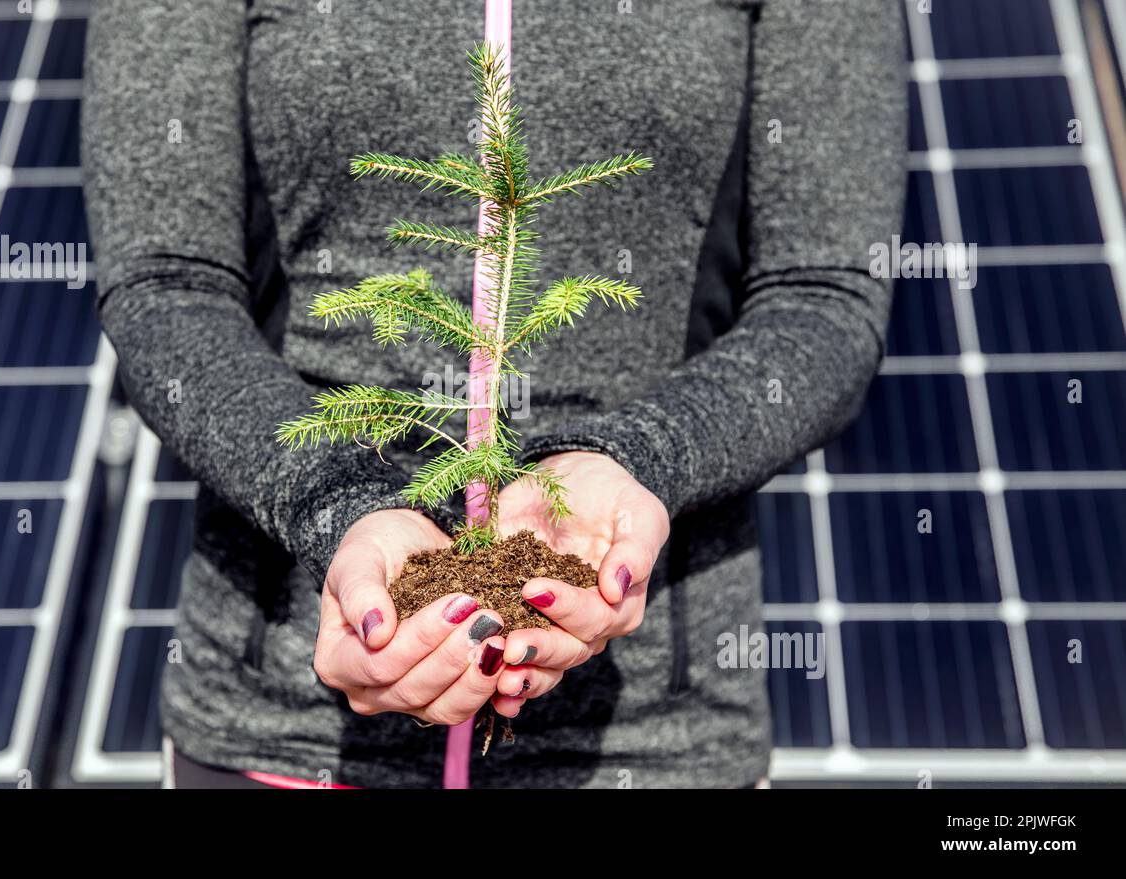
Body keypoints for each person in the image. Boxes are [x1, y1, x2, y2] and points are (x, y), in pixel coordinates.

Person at [82, 0, 906, 788]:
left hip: (658, 742)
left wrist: (634, 461)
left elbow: (822, 297)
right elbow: (167, 284)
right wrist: (336, 506)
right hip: (282, 730)